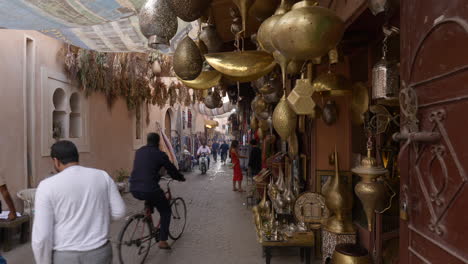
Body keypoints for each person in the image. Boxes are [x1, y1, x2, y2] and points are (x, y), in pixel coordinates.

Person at [32, 141, 126, 264]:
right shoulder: (102, 176)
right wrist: (98, 218)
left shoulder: (46, 186)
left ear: (56, 161)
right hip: (100, 252)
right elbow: (119, 211)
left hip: (65, 256)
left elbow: (42, 237)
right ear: (77, 157)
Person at [130, 133, 185, 250]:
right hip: (150, 188)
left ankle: (147, 213)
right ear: (158, 143)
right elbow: (171, 169)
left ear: (147, 141)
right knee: (165, 211)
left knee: (150, 197)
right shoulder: (160, 154)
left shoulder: (139, 151)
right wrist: (180, 177)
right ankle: (163, 241)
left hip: (134, 188)